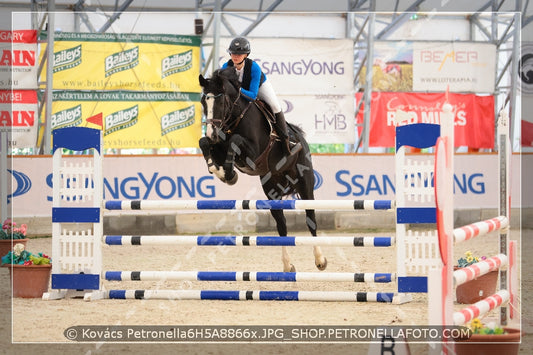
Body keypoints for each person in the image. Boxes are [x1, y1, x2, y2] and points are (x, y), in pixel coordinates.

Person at [222, 37, 301, 156]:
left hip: (259, 88)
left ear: (246, 55)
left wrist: (237, 90)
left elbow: (253, 96)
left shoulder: (254, 67)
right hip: (240, 91)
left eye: (239, 53)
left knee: (275, 106)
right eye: (233, 53)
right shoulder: (225, 67)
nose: (235, 56)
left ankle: (287, 142)